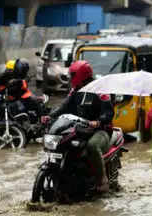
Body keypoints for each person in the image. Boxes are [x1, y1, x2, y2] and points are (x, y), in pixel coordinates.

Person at [41, 60, 114, 193]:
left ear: (81, 75)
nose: (70, 78)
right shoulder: (76, 90)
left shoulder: (100, 90)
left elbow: (108, 112)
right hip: (81, 128)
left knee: (91, 146)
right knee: (63, 143)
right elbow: (64, 107)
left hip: (100, 130)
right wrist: (50, 116)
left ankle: (101, 180)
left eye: (73, 75)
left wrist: (98, 122)